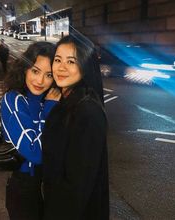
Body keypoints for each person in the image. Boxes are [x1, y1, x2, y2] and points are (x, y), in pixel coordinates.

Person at [42, 34, 109, 220]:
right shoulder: (65, 100)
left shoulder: (87, 111)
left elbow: (77, 188)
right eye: (57, 60)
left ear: (85, 66)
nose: (61, 67)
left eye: (71, 61)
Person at [1, 41, 61, 220]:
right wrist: (49, 109)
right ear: (25, 68)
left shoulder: (47, 98)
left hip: (47, 184)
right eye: (35, 71)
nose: (40, 81)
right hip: (23, 188)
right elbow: (35, 153)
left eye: (49, 75)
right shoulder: (14, 100)